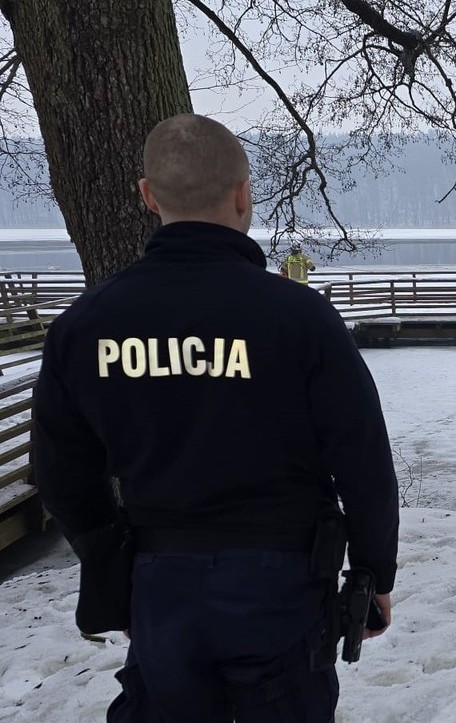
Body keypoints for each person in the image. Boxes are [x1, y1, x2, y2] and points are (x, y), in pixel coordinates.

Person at [31, 113, 399, 722]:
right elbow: (362, 461)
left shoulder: (87, 325)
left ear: (148, 196)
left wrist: (113, 563)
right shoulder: (301, 319)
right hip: (282, 583)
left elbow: (62, 472)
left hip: (159, 580)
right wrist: (372, 572)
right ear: (242, 193)